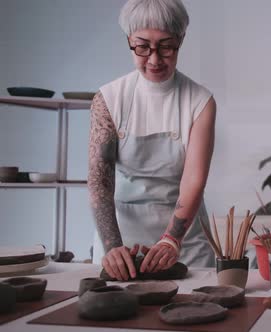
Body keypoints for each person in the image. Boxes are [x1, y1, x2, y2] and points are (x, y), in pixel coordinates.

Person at [88, 0, 216, 281]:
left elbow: (194, 180)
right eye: (143, 47)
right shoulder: (108, 99)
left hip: (184, 241)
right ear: (129, 41)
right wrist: (112, 246)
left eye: (166, 46)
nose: (155, 59)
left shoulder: (200, 101)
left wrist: (171, 239)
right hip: (121, 238)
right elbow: (100, 179)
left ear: (180, 40)